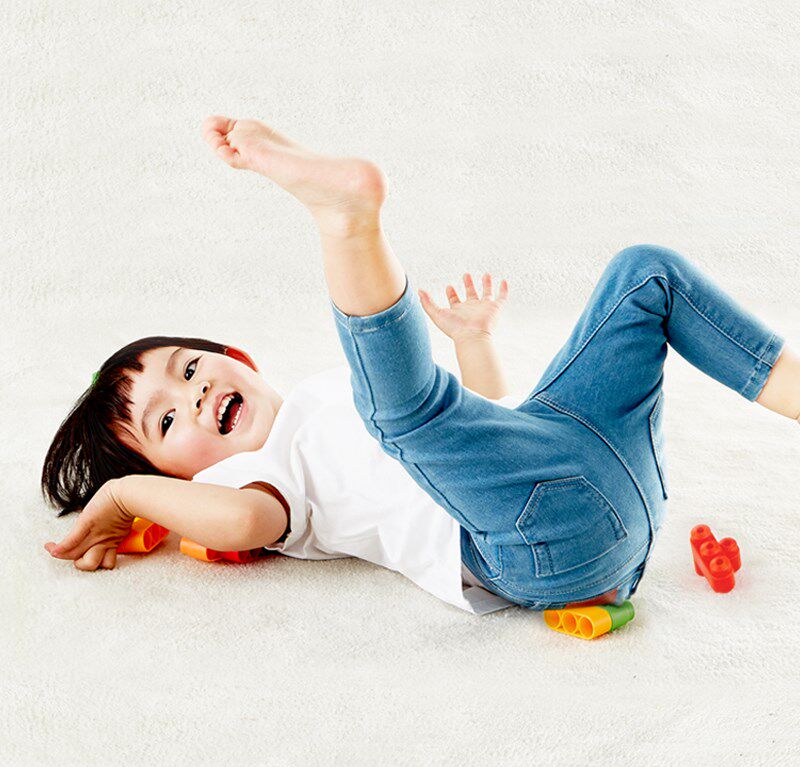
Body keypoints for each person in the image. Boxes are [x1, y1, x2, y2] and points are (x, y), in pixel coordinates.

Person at [42, 116, 800, 615]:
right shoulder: (252, 480)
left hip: (590, 467)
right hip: (538, 547)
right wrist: (123, 494)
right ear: (180, 485)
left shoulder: (323, 396)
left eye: (188, 368)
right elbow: (242, 521)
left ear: (236, 357)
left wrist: (472, 343)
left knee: (645, 276)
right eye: (166, 422)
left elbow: (486, 426)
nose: (195, 392)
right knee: (399, 412)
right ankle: (346, 221)